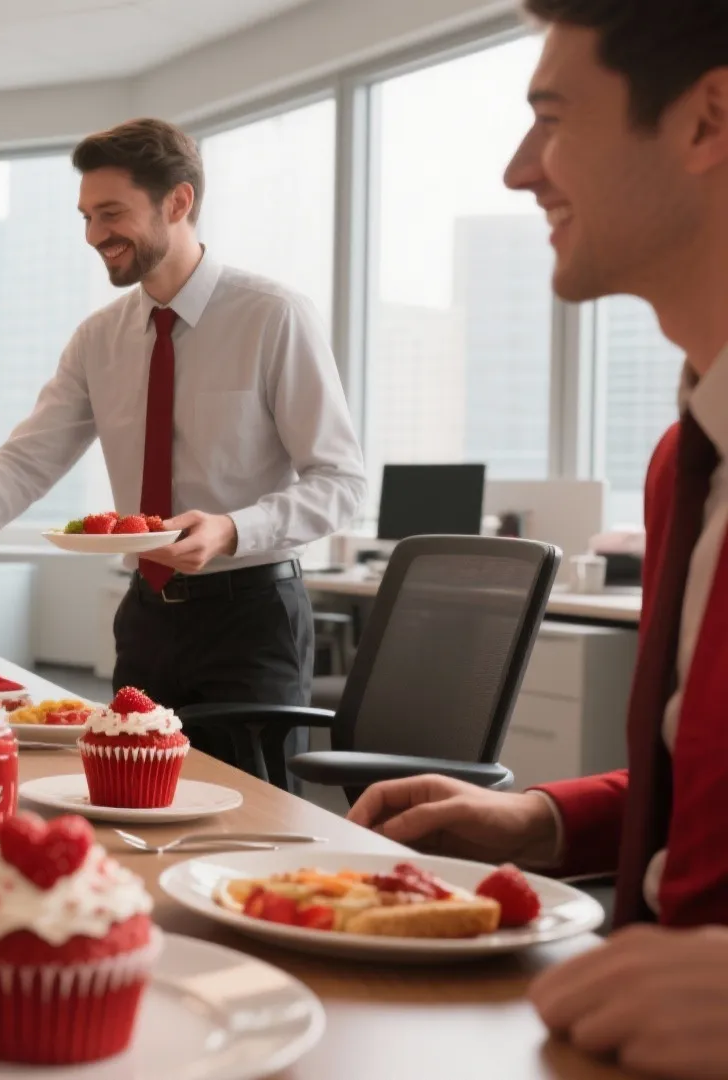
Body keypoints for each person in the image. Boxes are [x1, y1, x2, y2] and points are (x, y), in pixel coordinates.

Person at [350, 4, 728, 1076]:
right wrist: (539, 820)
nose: (522, 171)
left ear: (708, 121)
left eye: (553, 120)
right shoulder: (683, 465)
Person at [0, 119, 365, 781]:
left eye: (111, 213)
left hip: (251, 620)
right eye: (86, 215)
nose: (94, 235)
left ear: (178, 202)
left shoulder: (272, 316)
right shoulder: (100, 339)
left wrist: (230, 529)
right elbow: (26, 460)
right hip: (148, 618)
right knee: (133, 814)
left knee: (248, 828)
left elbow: (342, 481)